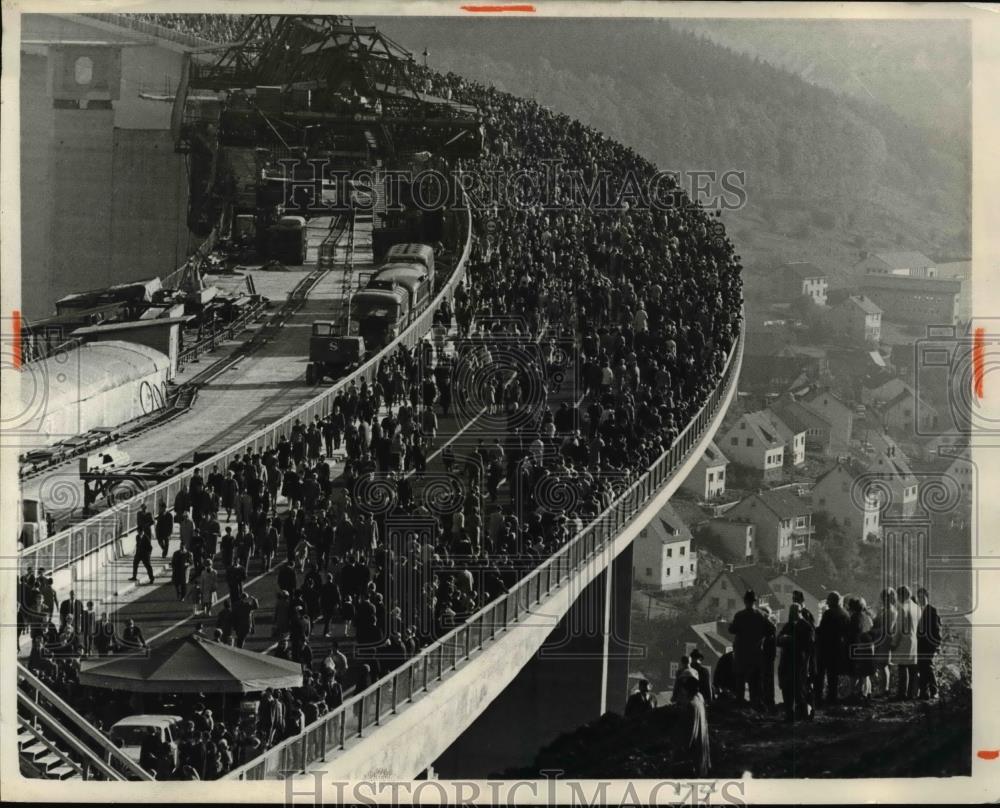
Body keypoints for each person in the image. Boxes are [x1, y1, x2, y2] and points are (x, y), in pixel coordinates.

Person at [727, 590, 769, 708]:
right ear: (754, 601)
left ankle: (740, 705)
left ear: (745, 601)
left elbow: (732, 630)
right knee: (754, 683)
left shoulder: (740, 615)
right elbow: (771, 630)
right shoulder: (761, 616)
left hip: (741, 654)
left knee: (740, 681)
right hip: (755, 654)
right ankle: (754, 706)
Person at [777, 603, 815, 722]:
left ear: (800, 612)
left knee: (800, 690)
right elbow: (778, 639)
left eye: (796, 612)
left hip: (800, 663)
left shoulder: (806, 626)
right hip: (787, 662)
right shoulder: (789, 625)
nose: (793, 615)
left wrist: (790, 640)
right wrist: (782, 639)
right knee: (787, 689)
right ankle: (790, 714)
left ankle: (804, 715)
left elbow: (808, 645)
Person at [673, 675, 711, 777]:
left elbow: (690, 732)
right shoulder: (700, 698)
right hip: (702, 751)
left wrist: (681, 750)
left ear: (686, 690)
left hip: (693, 755)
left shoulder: (691, 705)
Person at [816, 591, 850, 705]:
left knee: (820, 673)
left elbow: (822, 630)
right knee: (833, 674)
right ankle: (832, 697)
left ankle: (819, 697)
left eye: (828, 600)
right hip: (839, 647)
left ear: (832, 601)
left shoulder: (829, 613)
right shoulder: (845, 613)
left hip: (826, 647)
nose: (827, 602)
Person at [892, 584, 921, 701]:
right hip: (914, 640)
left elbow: (899, 628)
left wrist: (894, 642)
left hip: (904, 640)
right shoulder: (917, 608)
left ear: (901, 595)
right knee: (912, 668)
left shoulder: (903, 608)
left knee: (902, 668)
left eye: (898, 595)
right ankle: (912, 693)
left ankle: (901, 694)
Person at [847, 596, 875, 703]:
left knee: (858, 673)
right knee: (865, 674)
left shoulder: (854, 618)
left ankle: (858, 694)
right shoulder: (867, 617)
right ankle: (867, 693)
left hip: (859, 648)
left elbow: (852, 634)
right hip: (868, 647)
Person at [916, 587, 942, 700]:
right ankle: (923, 692)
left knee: (928, 667)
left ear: (927, 597)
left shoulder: (932, 610)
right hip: (919, 644)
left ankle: (934, 691)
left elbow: (937, 629)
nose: (921, 599)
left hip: (929, 644)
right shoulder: (917, 610)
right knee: (922, 667)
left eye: (923, 597)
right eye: (919, 597)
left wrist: (936, 644)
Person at [872, 587, 897, 697]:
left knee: (883, 665)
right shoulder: (885, 610)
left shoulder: (890, 611)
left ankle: (885, 689)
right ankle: (883, 688)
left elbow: (887, 628)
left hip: (885, 639)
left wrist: (874, 631)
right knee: (882, 665)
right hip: (881, 639)